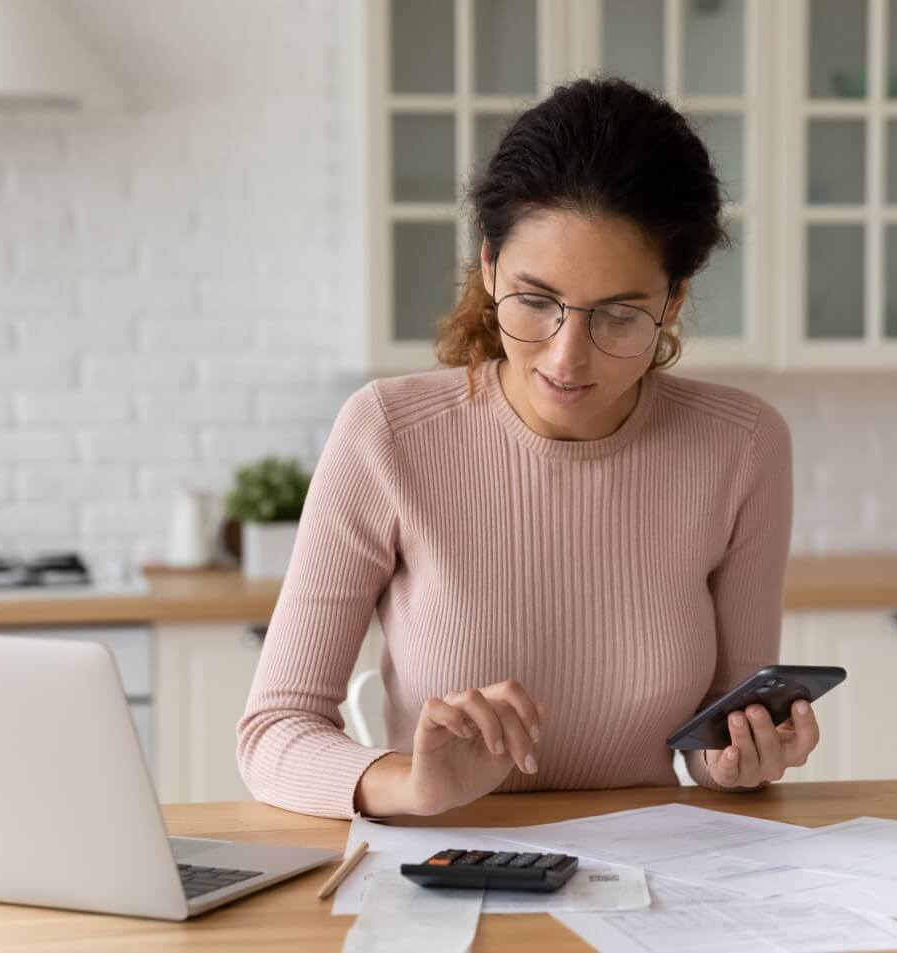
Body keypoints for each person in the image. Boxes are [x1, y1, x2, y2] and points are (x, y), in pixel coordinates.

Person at [237, 76, 816, 820]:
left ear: (673, 300)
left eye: (618, 315)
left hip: (653, 878)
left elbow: (718, 730)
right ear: (487, 266)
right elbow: (273, 732)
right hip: (445, 871)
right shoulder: (387, 434)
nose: (565, 359)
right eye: (535, 301)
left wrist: (738, 758)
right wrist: (407, 783)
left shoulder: (740, 446)